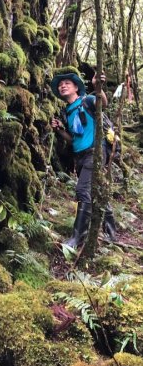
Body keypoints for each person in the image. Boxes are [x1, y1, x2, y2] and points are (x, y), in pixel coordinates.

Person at [50, 68, 117, 249]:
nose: (63, 86)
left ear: (76, 88)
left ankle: (77, 237)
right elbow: (73, 139)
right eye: (61, 85)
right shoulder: (67, 112)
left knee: (82, 190)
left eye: (67, 84)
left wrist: (97, 87)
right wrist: (59, 130)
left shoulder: (87, 100)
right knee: (96, 192)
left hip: (95, 152)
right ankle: (111, 233)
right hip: (79, 156)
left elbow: (103, 102)